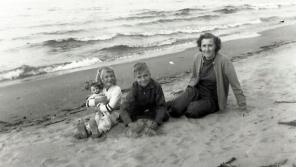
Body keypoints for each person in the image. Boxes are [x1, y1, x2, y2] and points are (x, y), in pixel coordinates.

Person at [169, 33, 247, 118]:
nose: (207, 49)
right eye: (204, 46)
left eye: (210, 45)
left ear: (216, 47)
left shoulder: (224, 62)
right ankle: (177, 103)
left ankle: (190, 104)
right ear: (200, 47)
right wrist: (186, 91)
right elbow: (194, 77)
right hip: (197, 90)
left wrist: (243, 107)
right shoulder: (197, 57)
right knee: (175, 110)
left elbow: (236, 86)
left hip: (213, 97)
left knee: (191, 111)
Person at [120, 62, 169, 136]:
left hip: (152, 108)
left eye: (145, 75)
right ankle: (142, 118)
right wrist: (130, 124)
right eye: (139, 77)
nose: (143, 79)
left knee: (165, 115)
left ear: (150, 74)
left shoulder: (157, 86)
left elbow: (161, 106)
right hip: (138, 109)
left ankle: (146, 118)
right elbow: (125, 106)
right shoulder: (135, 87)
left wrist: (156, 123)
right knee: (122, 116)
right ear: (135, 78)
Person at [74, 66, 122, 139]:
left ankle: (98, 131)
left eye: (112, 76)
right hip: (102, 112)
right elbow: (88, 102)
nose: (110, 78)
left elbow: (110, 107)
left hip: (114, 112)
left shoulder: (117, 89)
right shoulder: (102, 89)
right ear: (102, 79)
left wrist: (98, 106)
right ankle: (86, 130)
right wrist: (97, 102)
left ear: (114, 77)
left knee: (106, 121)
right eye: (106, 77)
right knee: (96, 119)